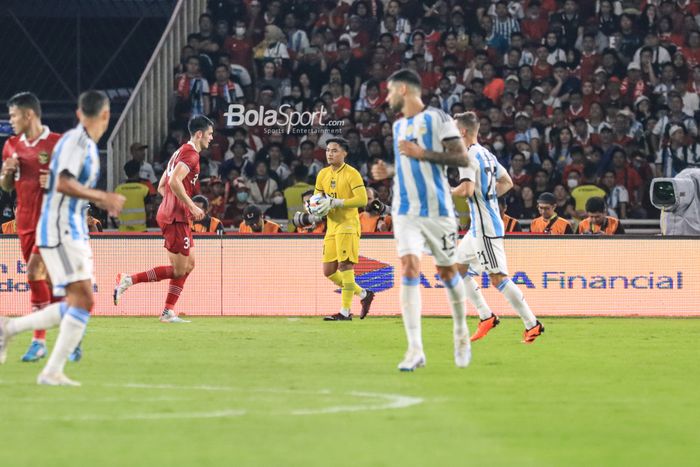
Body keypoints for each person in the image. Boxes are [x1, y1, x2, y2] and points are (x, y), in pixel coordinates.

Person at [0, 90, 125, 385]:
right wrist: (102, 197)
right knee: (80, 299)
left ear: (80, 113)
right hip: (59, 228)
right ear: (106, 115)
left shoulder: (75, 144)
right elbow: (64, 182)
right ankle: (42, 358)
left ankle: (21, 338)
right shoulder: (76, 142)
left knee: (77, 301)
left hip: (69, 228)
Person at [371, 69, 472, 371]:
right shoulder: (398, 126)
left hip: (438, 210)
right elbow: (407, 164)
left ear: (403, 89)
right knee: (409, 265)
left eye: (389, 91)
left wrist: (422, 152)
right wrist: (389, 172)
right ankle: (415, 349)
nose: (386, 98)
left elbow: (461, 158)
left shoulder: (439, 119)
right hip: (404, 210)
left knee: (447, 272)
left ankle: (461, 331)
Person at [451, 111, 544, 344]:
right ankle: (486, 316)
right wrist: (489, 199)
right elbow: (508, 182)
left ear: (462, 131)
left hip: (485, 228)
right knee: (457, 267)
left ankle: (532, 324)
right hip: (479, 226)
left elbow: (466, 190)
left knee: (498, 277)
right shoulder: (487, 154)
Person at [113, 116, 213, 323]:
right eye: (210, 134)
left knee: (189, 264)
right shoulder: (191, 154)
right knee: (178, 269)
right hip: (175, 216)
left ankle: (168, 311)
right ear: (199, 134)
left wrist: (171, 203)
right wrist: (191, 205)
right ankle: (128, 280)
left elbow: (162, 186)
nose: (211, 139)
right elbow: (175, 182)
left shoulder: (179, 152)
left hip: (173, 213)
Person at [0, 92, 62, 362]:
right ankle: (71, 332)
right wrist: (7, 173)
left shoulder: (58, 143)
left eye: (13, 115)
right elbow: (5, 187)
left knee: (35, 273)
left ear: (28, 115)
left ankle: (38, 341)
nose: (10, 120)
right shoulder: (11, 145)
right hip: (24, 221)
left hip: (51, 222)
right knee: (47, 281)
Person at [313, 137, 375, 321]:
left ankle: (345, 312)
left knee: (345, 265)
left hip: (348, 225)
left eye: (334, 150)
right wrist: (313, 208)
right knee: (329, 271)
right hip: (331, 226)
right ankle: (363, 294)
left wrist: (336, 202)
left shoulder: (352, 173)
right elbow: (317, 198)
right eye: (328, 150)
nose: (330, 154)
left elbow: (362, 200)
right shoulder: (322, 174)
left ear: (344, 153)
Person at [115, 160, 150, 232]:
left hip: (123, 232)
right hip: (140, 231)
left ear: (126, 173)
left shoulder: (118, 190)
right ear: (138, 172)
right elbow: (149, 210)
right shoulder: (144, 189)